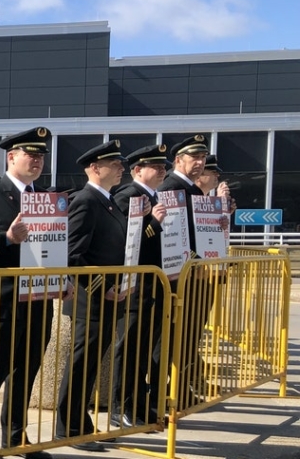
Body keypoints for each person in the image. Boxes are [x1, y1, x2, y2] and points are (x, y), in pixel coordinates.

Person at [0, 126, 53, 459]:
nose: (36, 161)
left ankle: (16, 435)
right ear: (11, 157)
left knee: (26, 370)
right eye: (30, 154)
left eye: (41, 155)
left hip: (39, 297)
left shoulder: (46, 198)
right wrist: (5, 238)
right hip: (2, 300)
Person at [54, 140, 127, 452]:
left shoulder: (108, 201)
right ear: (95, 168)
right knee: (82, 363)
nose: (121, 167)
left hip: (108, 297)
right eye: (115, 163)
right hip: (90, 299)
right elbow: (73, 254)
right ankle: (67, 427)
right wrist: (103, 285)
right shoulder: (85, 200)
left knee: (92, 364)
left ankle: (80, 423)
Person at [109, 144, 169, 428]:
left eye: (163, 167)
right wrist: (154, 223)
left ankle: (137, 404)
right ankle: (119, 405)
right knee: (129, 347)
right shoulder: (128, 195)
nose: (162, 171)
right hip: (135, 286)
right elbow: (125, 240)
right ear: (137, 170)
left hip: (153, 285)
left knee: (143, 347)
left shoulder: (154, 196)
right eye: (155, 166)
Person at [156, 135, 213, 408]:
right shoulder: (172, 187)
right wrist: (193, 260)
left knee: (187, 336)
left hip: (191, 274)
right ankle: (165, 392)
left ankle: (179, 389)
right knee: (173, 337)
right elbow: (173, 235)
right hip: (179, 275)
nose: (200, 163)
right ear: (179, 160)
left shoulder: (191, 190)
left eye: (203, 158)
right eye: (195, 158)